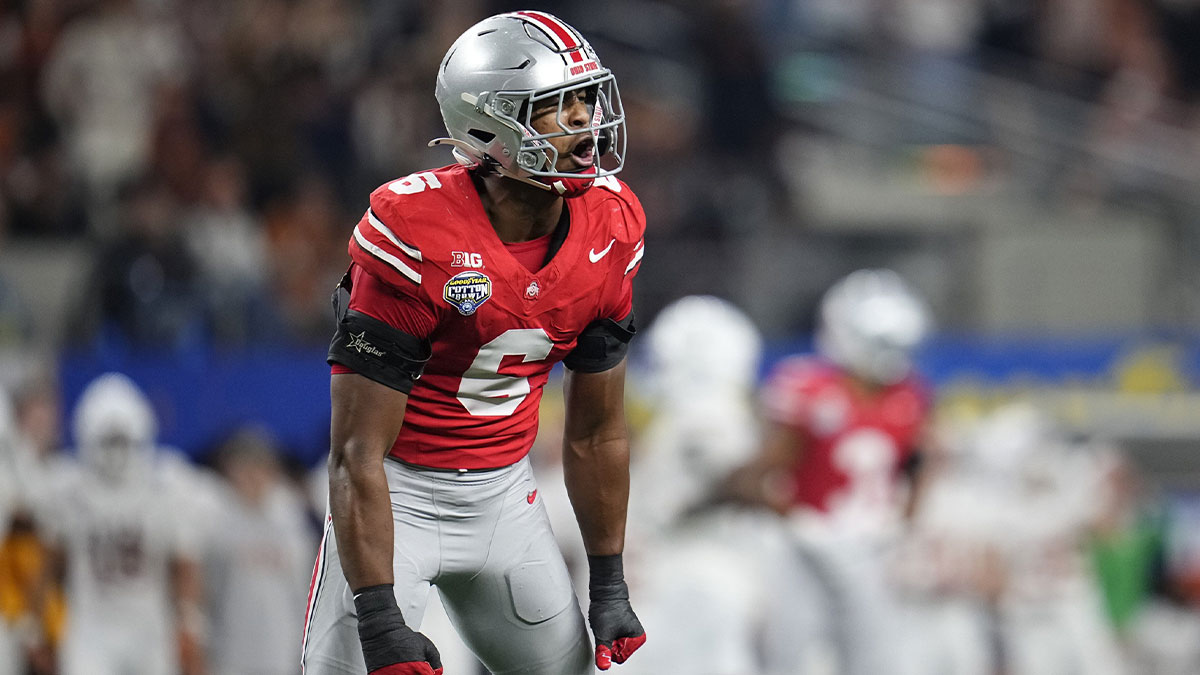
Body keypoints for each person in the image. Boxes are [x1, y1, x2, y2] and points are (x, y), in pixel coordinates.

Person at [301, 11, 646, 675]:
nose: (585, 124)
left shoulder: (613, 222)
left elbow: (597, 431)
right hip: (394, 494)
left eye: (585, 100)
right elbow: (355, 452)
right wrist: (378, 616)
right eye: (555, 107)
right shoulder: (415, 232)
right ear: (488, 126)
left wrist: (609, 582)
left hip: (502, 499)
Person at [721, 268, 934, 675]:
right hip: (808, 547)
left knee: (877, 660)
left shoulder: (910, 397)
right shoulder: (811, 388)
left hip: (874, 547)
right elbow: (765, 469)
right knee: (789, 655)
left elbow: (919, 466)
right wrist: (792, 519)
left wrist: (907, 524)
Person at [41, 373, 207, 675]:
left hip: (148, 630)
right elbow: (51, 562)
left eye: (121, 440)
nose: (116, 451)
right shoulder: (70, 487)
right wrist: (40, 625)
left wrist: (189, 623)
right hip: (90, 628)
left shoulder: (164, 484)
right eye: (108, 441)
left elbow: (183, 563)